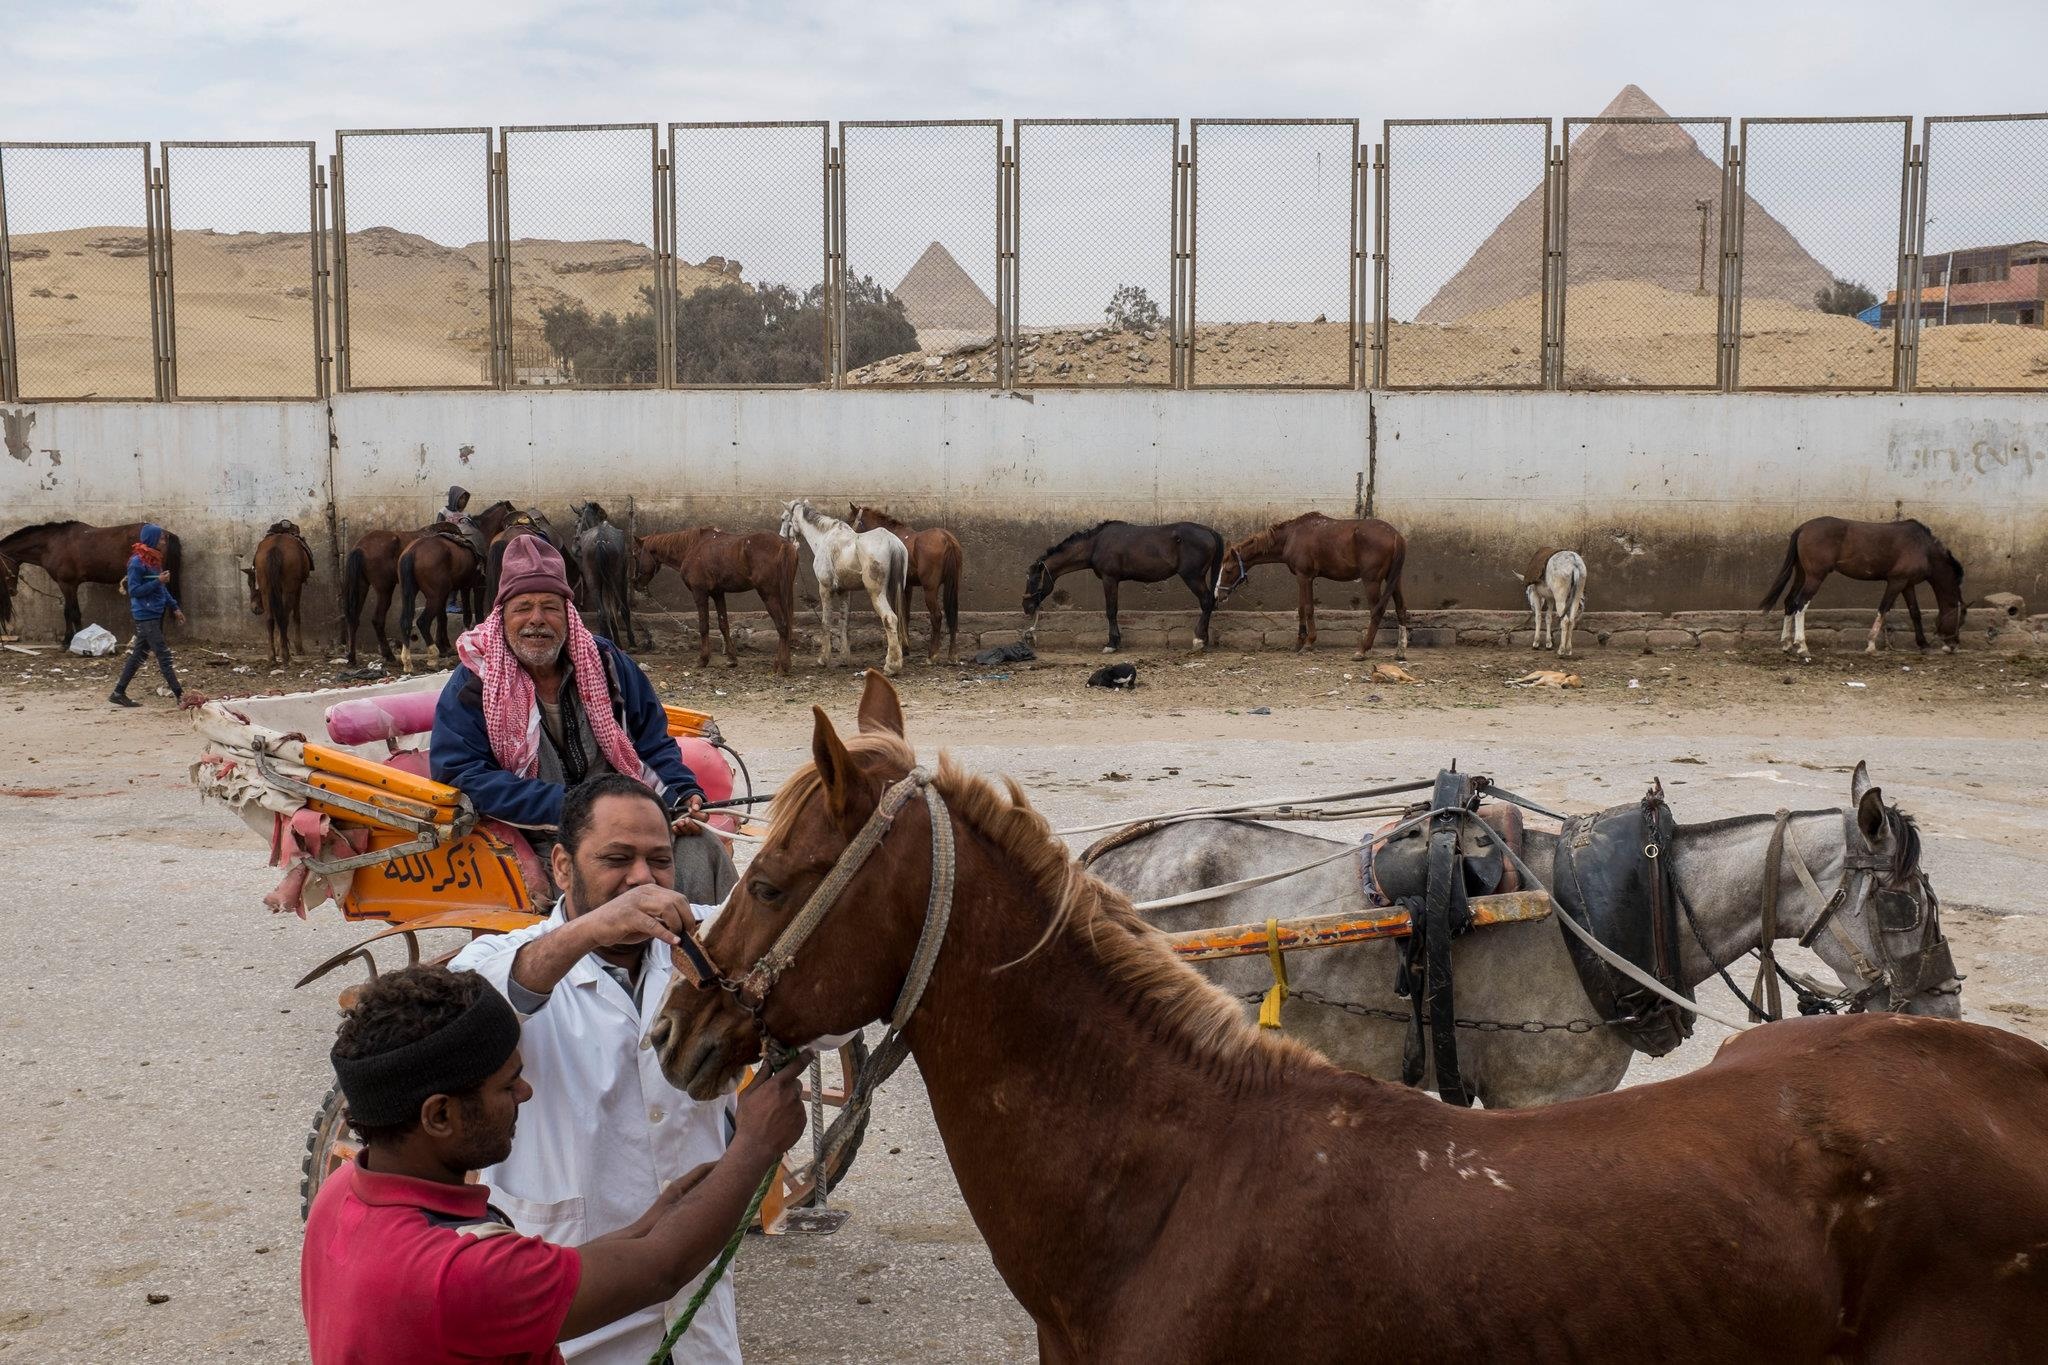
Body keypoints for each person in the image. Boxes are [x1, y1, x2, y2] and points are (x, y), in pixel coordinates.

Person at [302, 964, 806, 1365]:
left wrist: (662, 1213)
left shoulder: (344, 1192)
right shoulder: (461, 1276)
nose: (526, 1092)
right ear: (439, 1114)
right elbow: (661, 1270)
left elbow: (603, 1261)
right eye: (506, 1085)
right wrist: (756, 1145)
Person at [453, 774, 741, 1363]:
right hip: (571, 1308)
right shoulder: (498, 957)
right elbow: (467, 1013)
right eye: (617, 859)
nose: (642, 879)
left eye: (660, 861)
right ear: (561, 867)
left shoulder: (712, 940)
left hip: (697, 1312)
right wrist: (590, 931)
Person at [431, 534, 735, 903]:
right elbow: (463, 773)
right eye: (523, 607)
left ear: (568, 614)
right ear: (502, 617)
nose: (537, 620)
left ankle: (699, 957)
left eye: (550, 607)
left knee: (702, 848)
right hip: (545, 836)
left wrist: (683, 793)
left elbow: (652, 741)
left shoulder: (608, 665)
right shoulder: (474, 681)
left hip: (628, 823)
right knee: (619, 878)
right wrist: (573, 806)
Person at [108, 522, 183, 708]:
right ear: (151, 540)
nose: (164, 542)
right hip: (145, 615)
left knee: (138, 655)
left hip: (154, 613)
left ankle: (118, 692)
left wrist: (175, 607)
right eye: (161, 538)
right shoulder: (136, 563)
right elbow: (134, 591)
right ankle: (180, 695)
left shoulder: (154, 560)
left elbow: (161, 589)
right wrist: (157, 581)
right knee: (163, 655)